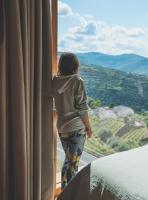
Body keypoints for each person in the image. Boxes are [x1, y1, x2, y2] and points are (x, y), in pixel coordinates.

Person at [52, 52, 93, 190]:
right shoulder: (77, 81)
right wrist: (89, 128)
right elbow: (82, 108)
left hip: (62, 128)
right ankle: (68, 194)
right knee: (72, 165)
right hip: (76, 128)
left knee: (69, 162)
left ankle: (66, 192)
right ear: (75, 65)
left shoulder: (55, 80)